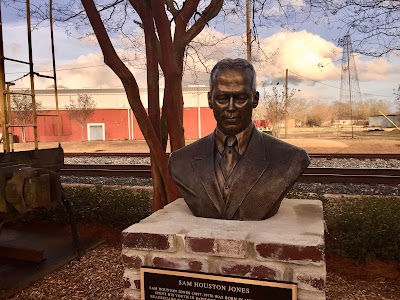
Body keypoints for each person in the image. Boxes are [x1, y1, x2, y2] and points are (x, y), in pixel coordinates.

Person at [169, 58, 310, 220]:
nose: (230, 108)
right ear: (210, 100)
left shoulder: (291, 158)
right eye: (222, 98)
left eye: (240, 98)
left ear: (255, 99)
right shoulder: (180, 161)